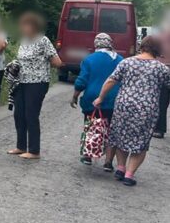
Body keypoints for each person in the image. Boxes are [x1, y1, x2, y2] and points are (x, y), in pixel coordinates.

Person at [94, 36, 170, 186]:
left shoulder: (127, 62)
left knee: (121, 136)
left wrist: (100, 98)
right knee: (140, 142)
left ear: (142, 46)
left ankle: (121, 168)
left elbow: (111, 80)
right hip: (146, 109)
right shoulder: (161, 68)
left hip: (124, 106)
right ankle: (129, 175)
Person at [7, 12, 63, 160]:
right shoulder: (24, 40)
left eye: (25, 25)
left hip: (37, 82)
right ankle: (20, 146)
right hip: (21, 82)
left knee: (31, 115)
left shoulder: (43, 40)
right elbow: (22, 59)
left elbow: (57, 62)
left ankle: (34, 150)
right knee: (19, 114)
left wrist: (40, 66)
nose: (22, 28)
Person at [70, 33, 123, 167]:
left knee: (92, 127)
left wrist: (75, 96)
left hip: (93, 100)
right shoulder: (120, 60)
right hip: (114, 100)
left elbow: (81, 81)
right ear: (110, 44)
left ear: (96, 44)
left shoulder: (89, 59)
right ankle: (108, 163)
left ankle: (88, 156)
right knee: (112, 130)